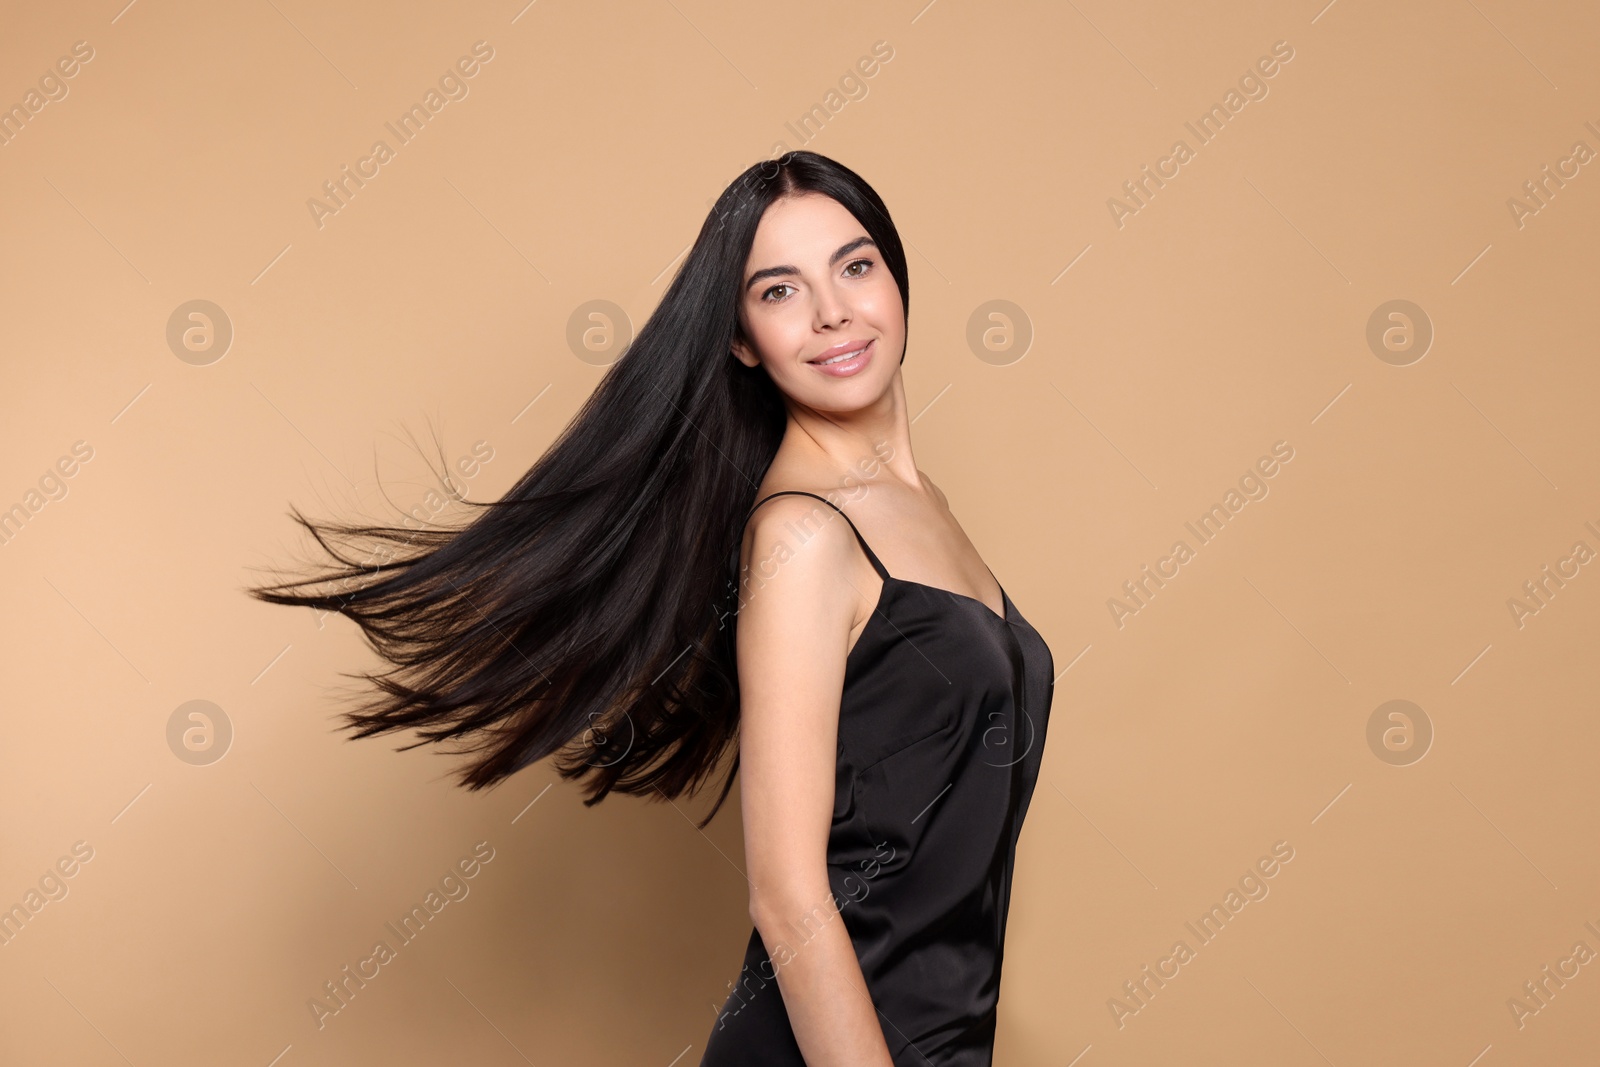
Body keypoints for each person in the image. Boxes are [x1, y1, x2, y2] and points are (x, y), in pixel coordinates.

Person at [246, 150, 1054, 1066]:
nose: (833, 311)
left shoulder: (924, 507)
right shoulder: (804, 539)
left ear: (897, 282)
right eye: (780, 290)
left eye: (855, 265)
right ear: (743, 338)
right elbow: (788, 898)